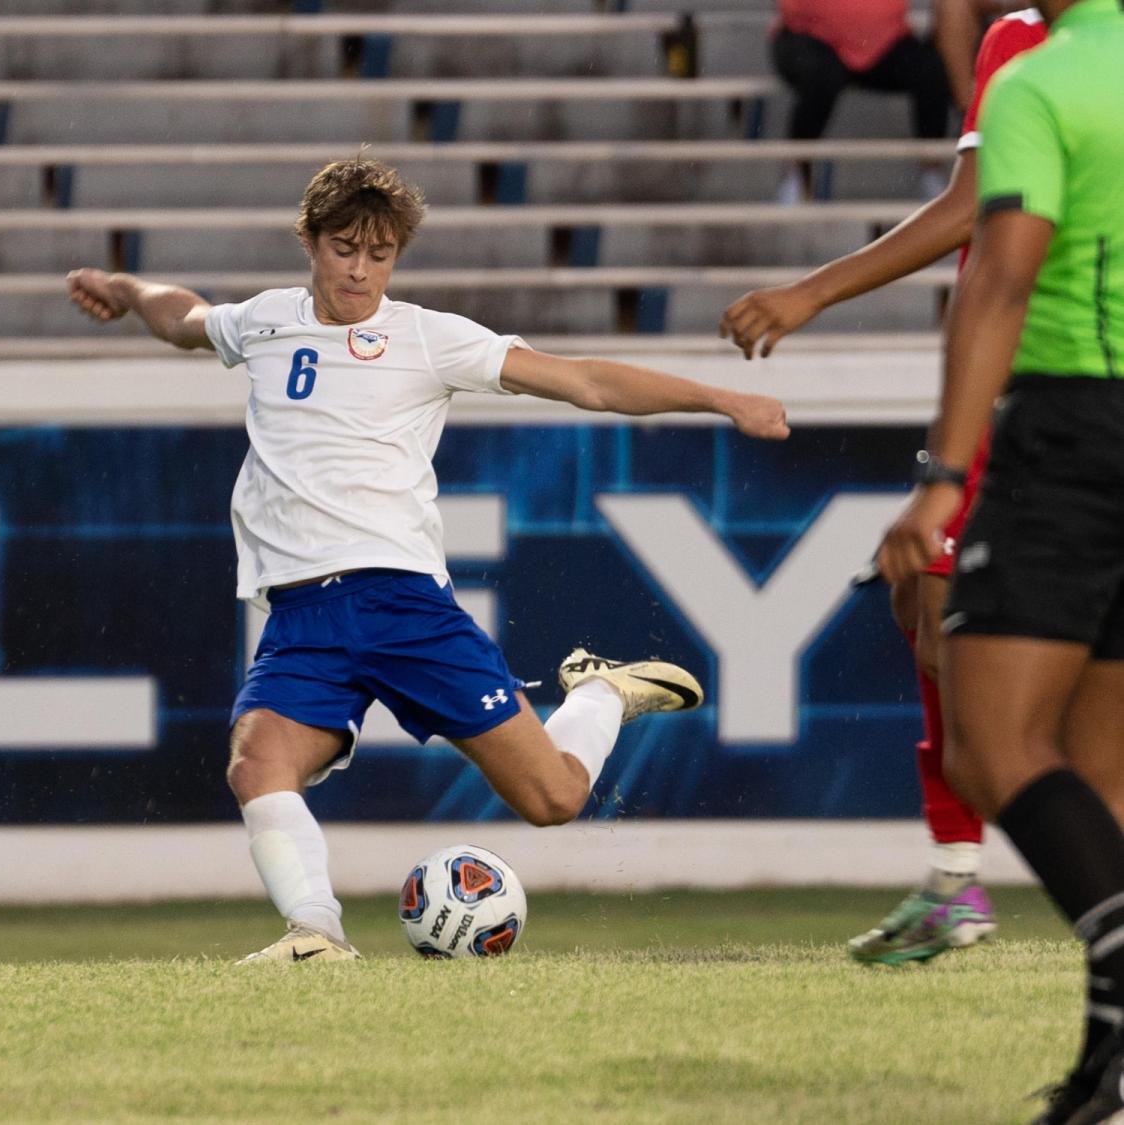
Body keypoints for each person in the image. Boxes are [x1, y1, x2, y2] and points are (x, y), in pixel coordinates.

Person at [67, 158, 790, 964]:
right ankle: (317, 935)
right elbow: (185, 318)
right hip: (301, 616)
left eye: (380, 255)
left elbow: (584, 381)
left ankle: (602, 694)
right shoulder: (265, 323)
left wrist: (723, 399)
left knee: (553, 798)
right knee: (256, 761)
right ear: (308, 241)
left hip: (403, 603)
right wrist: (127, 289)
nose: (361, 269)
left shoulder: (423, 336)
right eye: (345, 248)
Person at [722, 8, 1047, 967]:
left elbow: (973, 205)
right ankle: (957, 876)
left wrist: (811, 292)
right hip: (1011, 380)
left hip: (1059, 382)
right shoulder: (1016, 39)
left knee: (965, 615)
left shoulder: (1045, 53)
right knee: (923, 593)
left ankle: (996, 856)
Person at [874, 1, 1124, 1118]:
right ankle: (1109, 1072)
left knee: (989, 743)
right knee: (1100, 772)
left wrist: (941, 474)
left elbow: (1001, 278)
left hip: (1075, 431)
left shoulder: (1038, 79)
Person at [772, 0, 952, 203]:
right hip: (811, 36)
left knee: (931, 70)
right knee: (822, 76)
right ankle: (797, 168)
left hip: (881, 40)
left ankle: (932, 168)